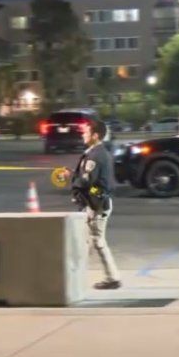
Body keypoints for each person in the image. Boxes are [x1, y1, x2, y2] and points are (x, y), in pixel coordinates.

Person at [66, 120, 122, 290]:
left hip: (97, 205)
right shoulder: (96, 153)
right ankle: (80, 275)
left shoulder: (96, 155)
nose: (83, 134)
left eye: (86, 132)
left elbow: (86, 180)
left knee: (96, 241)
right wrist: (72, 175)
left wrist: (73, 179)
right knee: (89, 241)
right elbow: (86, 177)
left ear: (95, 135)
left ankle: (111, 278)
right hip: (95, 204)